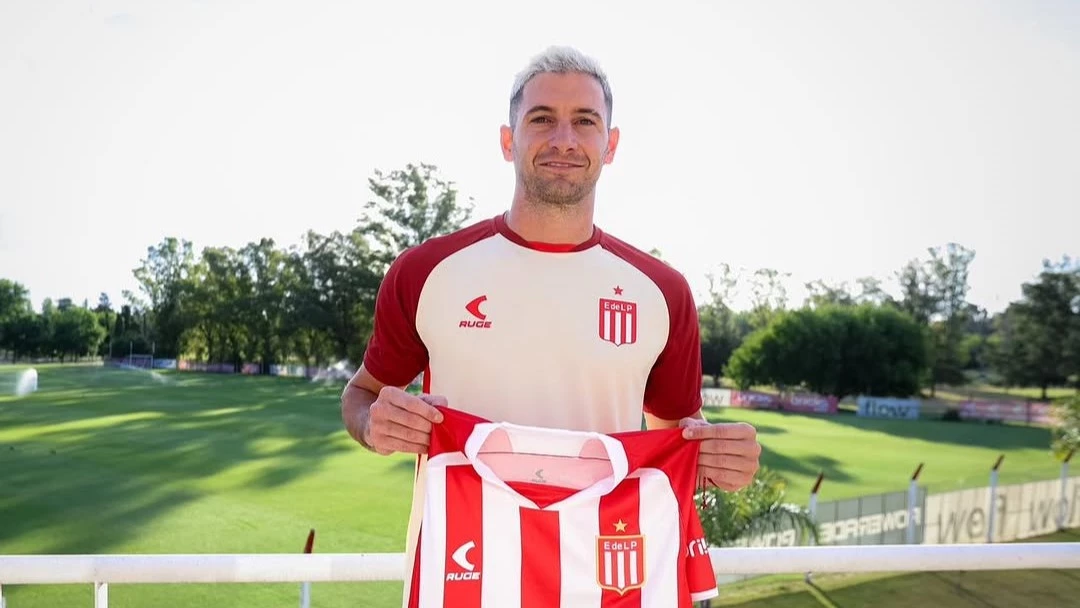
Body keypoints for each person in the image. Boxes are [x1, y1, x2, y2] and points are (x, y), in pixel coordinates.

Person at [341, 44, 761, 597]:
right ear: (507, 139)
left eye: (584, 122)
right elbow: (361, 396)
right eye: (542, 119)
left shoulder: (662, 292)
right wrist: (374, 425)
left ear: (609, 145)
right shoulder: (427, 272)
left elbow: (677, 441)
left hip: (603, 578)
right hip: (466, 574)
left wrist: (720, 458)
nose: (563, 139)